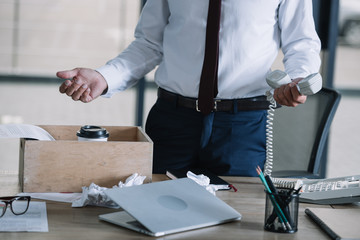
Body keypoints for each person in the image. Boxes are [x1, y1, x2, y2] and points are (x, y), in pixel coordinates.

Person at [57, 0, 321, 177]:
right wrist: (104, 77)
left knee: (237, 219)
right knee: (158, 211)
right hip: (173, 120)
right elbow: (149, 43)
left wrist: (297, 79)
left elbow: (301, 42)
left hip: (242, 125)